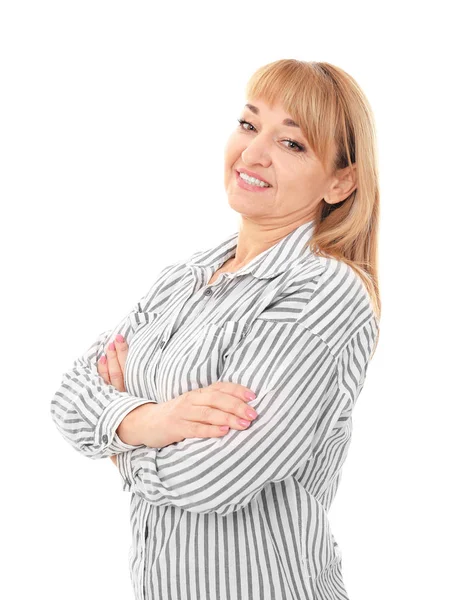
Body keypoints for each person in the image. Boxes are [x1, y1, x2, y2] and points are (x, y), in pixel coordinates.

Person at [50, 58, 381, 600]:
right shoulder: (184, 279)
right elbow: (69, 395)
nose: (253, 153)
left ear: (341, 180)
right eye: (250, 125)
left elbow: (216, 478)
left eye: (292, 143)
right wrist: (154, 421)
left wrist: (115, 439)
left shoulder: (324, 291)